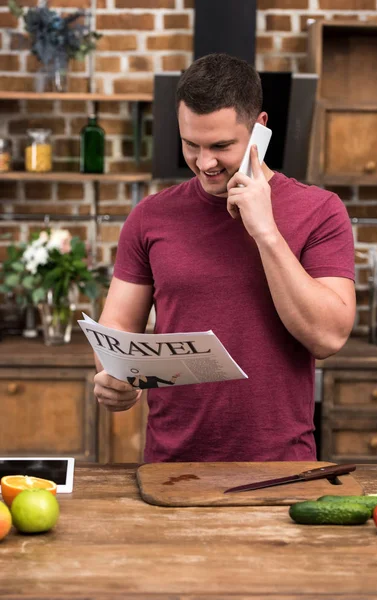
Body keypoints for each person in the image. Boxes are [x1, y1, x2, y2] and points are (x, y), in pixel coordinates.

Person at [93, 53, 355, 463]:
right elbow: (117, 326)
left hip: (280, 466)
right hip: (171, 464)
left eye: (221, 146)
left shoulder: (320, 211)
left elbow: (328, 337)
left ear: (259, 129)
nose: (205, 162)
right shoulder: (151, 216)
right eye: (190, 145)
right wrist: (117, 377)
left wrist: (265, 231)